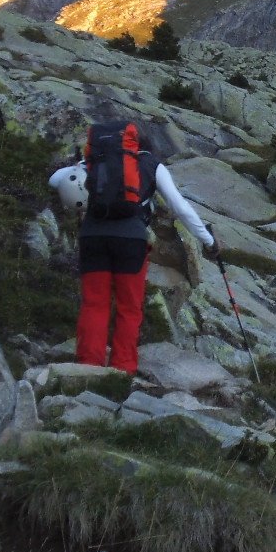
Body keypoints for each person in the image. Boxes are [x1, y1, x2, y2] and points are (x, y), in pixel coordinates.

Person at [49, 123, 219, 375]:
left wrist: (85, 164)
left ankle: (88, 367)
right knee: (129, 308)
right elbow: (180, 208)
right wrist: (209, 241)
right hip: (131, 238)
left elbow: (54, 180)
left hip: (93, 236)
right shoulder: (151, 164)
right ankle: (122, 369)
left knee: (94, 304)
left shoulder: (95, 160)